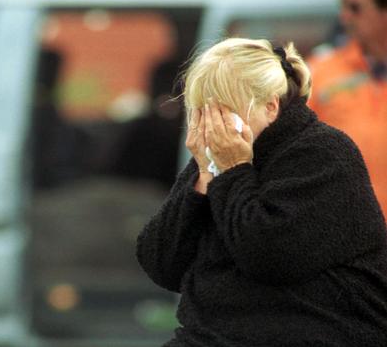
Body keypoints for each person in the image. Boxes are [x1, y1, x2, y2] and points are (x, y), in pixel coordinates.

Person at [136, 37, 387, 347]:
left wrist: (231, 171)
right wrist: (202, 179)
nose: (213, 128)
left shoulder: (324, 155)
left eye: (224, 112)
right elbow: (161, 264)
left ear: (271, 106)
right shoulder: (216, 159)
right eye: (202, 112)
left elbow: (267, 255)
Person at [308, 0, 387, 214]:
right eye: (343, 5)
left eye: (355, 7)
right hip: (345, 238)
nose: (344, 17)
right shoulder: (319, 72)